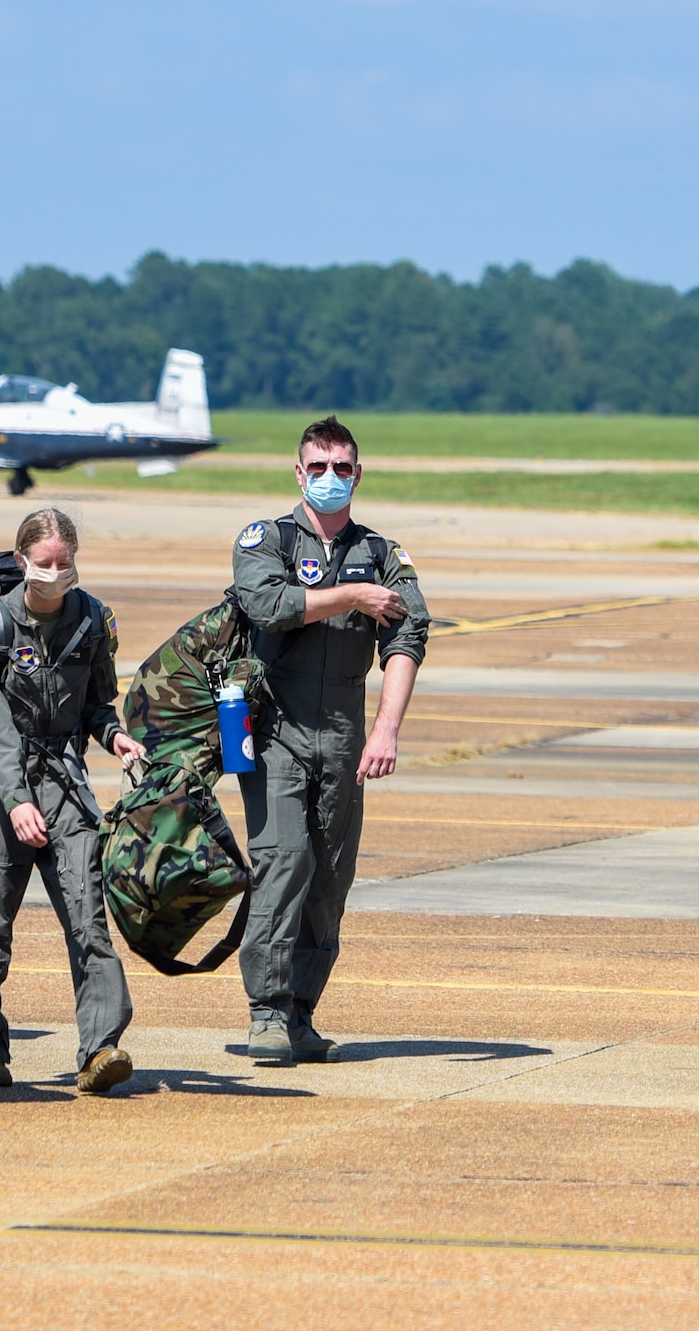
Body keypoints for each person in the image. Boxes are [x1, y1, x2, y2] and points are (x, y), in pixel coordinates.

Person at [229, 416, 428, 1066]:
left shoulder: (383, 554)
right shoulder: (268, 539)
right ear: (298, 472)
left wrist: (386, 727)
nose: (330, 478)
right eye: (317, 467)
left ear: (358, 473)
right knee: (284, 859)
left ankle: (300, 1013)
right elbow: (268, 605)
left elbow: (407, 634)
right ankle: (265, 1010)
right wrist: (350, 595)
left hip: (344, 731)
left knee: (330, 878)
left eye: (342, 467)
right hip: (272, 729)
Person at [0, 507, 147, 1093]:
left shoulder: (92, 620)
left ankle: (101, 1048)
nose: (56, 573)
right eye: (44, 564)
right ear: (21, 563)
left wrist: (115, 736)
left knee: (89, 920)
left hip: (65, 786)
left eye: (66, 563)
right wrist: (15, 800)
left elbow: (96, 704)